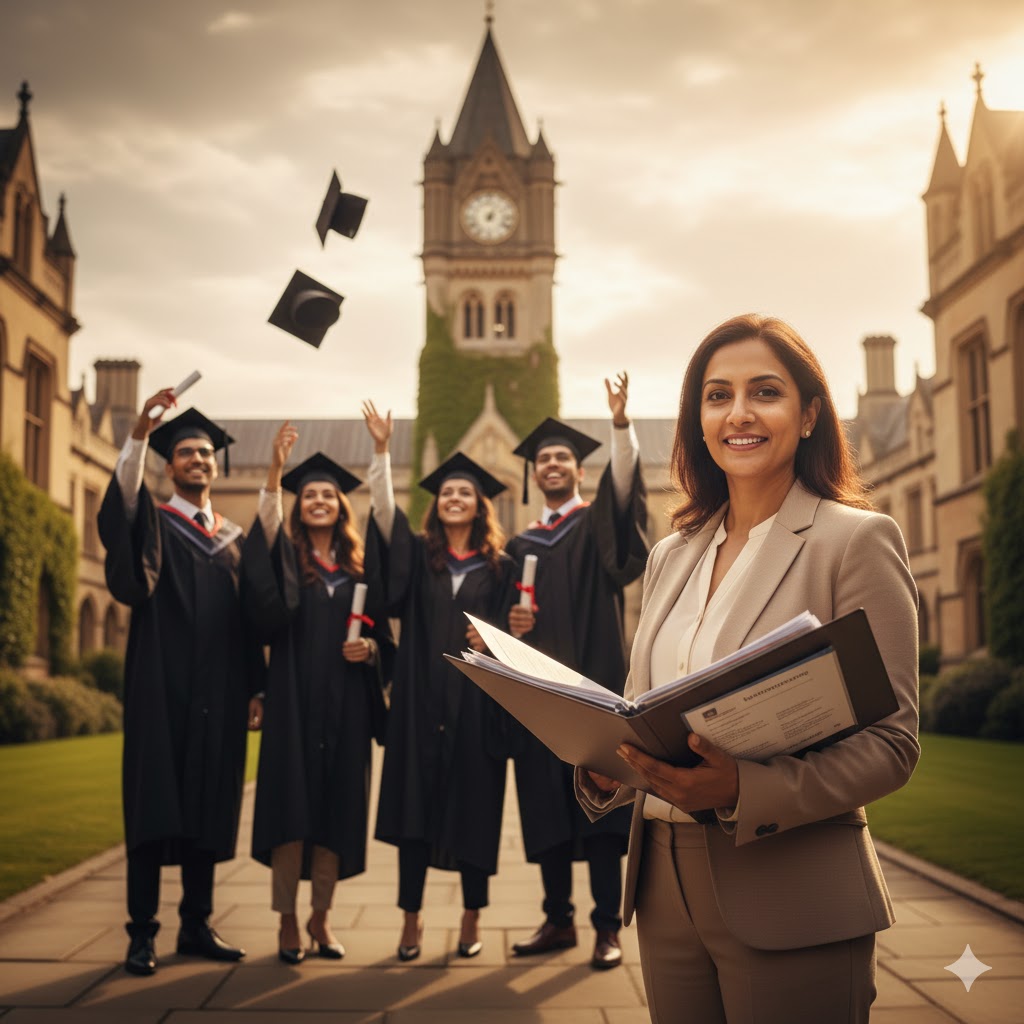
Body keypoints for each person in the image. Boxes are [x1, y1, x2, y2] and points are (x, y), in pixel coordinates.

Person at [576, 314, 920, 1023]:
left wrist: (744, 787)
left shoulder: (853, 541)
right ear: (696, 419)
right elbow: (647, 706)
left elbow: (892, 747)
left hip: (791, 887)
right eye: (717, 395)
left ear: (809, 415)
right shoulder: (674, 554)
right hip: (661, 887)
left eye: (764, 392)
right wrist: (608, 761)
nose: (738, 413)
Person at [98, 395, 265, 977]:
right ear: (169, 465)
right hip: (159, 688)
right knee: (151, 803)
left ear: (216, 465)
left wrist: (256, 688)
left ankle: (196, 923)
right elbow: (121, 505)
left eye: (205, 452)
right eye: (187, 452)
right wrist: (140, 437)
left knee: (209, 804)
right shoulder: (153, 524)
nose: (198, 458)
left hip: (220, 693)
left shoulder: (234, 539)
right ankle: (141, 932)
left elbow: (249, 621)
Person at [362, 401, 517, 962]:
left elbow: (518, 642)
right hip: (418, 706)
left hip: (477, 710)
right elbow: (384, 520)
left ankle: (472, 917)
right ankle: (411, 920)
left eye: (465, 493)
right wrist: (382, 453)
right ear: (436, 504)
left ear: (480, 506)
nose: (455, 498)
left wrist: (496, 639)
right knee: (413, 814)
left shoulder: (501, 568)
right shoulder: (417, 559)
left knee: (477, 812)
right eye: (447, 492)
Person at [505, 373, 649, 970]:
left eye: (563, 456)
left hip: (593, 690)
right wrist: (509, 623)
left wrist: (619, 426)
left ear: (580, 470)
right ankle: (557, 920)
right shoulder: (520, 545)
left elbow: (625, 506)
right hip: (539, 694)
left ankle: (606, 929)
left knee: (598, 809)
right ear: (534, 473)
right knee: (546, 806)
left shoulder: (594, 527)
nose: (554, 464)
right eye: (544, 458)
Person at [242, 425, 393, 964]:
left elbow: (384, 640)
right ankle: (286, 922)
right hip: (293, 705)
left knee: (335, 811)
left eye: (329, 494)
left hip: (347, 709)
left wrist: (371, 652)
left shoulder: (359, 572)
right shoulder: (286, 563)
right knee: (290, 809)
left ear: (341, 506)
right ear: (298, 506)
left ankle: (321, 920)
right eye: (309, 495)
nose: (320, 501)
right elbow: (261, 535)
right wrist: (275, 470)